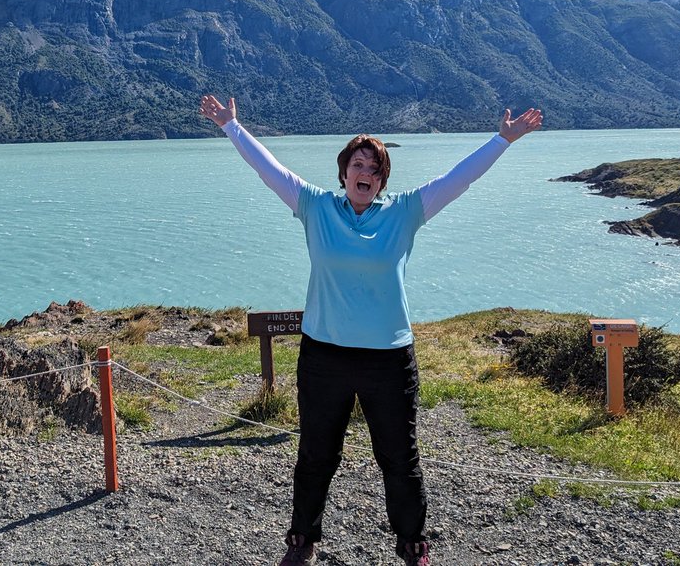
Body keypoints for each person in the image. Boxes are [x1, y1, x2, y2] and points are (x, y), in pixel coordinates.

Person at [199, 94, 542, 566]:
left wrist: (501, 140)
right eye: (358, 164)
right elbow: (269, 168)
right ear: (343, 174)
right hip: (324, 357)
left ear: (382, 181)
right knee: (316, 455)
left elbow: (459, 179)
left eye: (375, 169)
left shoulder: (405, 212)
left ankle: (412, 545)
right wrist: (231, 126)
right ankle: (302, 540)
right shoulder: (315, 207)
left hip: (388, 360)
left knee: (400, 460)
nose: (366, 173)